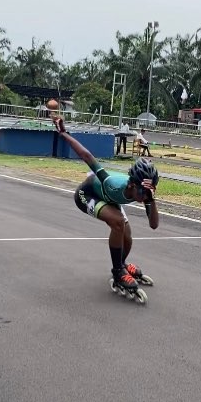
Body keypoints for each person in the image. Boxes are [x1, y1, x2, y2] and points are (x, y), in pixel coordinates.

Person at [48, 100, 160, 301]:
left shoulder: (145, 193)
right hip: (87, 193)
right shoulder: (112, 182)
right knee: (117, 222)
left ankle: (122, 265)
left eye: (149, 192)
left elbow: (153, 225)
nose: (144, 197)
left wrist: (152, 200)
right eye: (143, 193)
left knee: (127, 233)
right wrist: (64, 134)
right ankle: (118, 271)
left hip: (109, 199)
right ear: (131, 185)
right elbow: (86, 155)